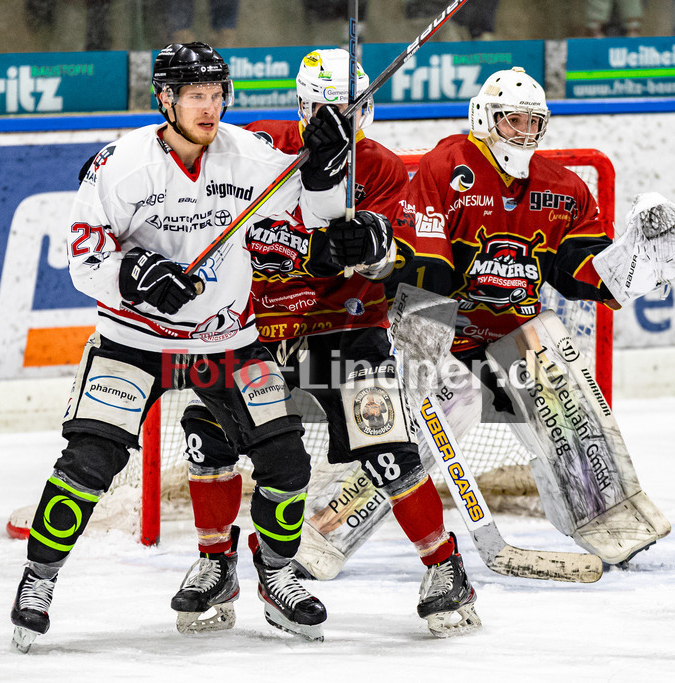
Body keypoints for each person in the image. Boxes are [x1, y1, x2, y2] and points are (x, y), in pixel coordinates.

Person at [9, 41, 358, 652]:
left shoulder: (248, 155)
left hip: (224, 338)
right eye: (196, 95)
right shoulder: (120, 165)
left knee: (286, 460)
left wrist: (328, 163)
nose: (210, 107)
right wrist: (135, 275)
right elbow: (85, 261)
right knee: (89, 462)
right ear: (164, 99)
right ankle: (38, 581)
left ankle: (275, 576)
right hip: (133, 340)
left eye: (218, 94)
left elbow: (314, 210)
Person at [175, 48, 481, 639]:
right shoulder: (259, 145)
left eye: (355, 108)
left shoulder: (381, 166)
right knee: (207, 431)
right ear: (303, 106)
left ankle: (445, 568)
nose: (346, 119)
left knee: (388, 446)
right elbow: (189, 176)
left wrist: (375, 247)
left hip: (346, 324)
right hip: (255, 328)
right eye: (330, 109)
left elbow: (408, 257)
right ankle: (217, 564)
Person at [398, 66, 675, 563]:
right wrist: (419, 349)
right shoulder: (446, 166)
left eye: (534, 122)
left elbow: (580, 270)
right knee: (411, 435)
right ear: (484, 117)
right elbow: (423, 260)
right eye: (513, 120)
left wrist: (634, 267)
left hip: (514, 335)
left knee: (564, 393)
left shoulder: (564, 188)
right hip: (444, 336)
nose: (525, 132)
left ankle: (606, 518)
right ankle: (331, 525)